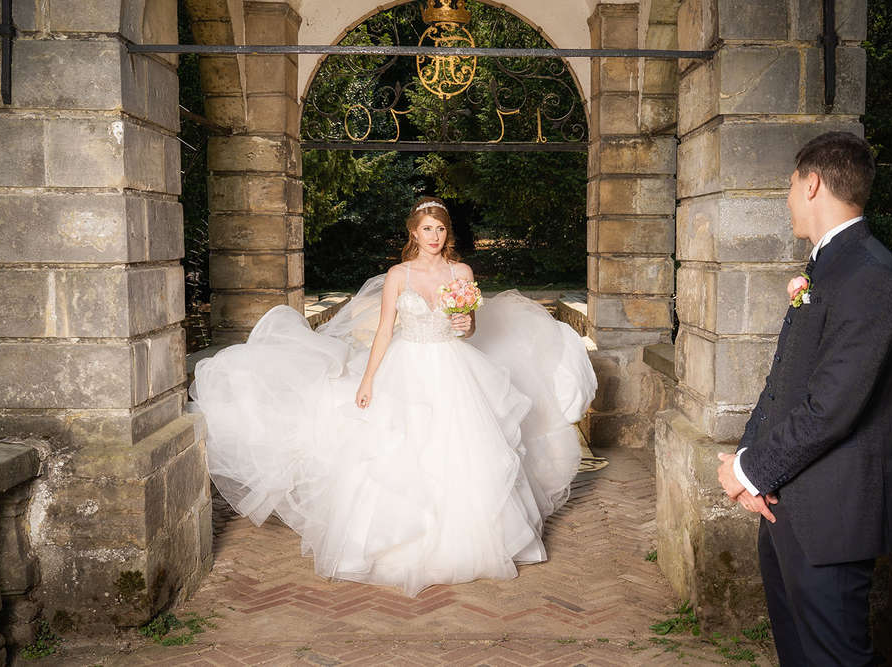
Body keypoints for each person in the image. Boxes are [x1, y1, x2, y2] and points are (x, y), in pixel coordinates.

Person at [190, 196, 597, 597]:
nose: (434, 235)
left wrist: (464, 323)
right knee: (396, 450)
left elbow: (469, 328)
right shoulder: (398, 275)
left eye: (440, 228)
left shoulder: (462, 270)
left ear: (446, 232)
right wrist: (367, 381)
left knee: (460, 450)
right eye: (426, 229)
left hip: (454, 366)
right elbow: (385, 330)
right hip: (405, 367)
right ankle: (395, 546)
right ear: (413, 233)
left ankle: (466, 544)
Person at [716, 132, 892, 666]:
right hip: (783, 507)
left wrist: (749, 471)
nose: (787, 198)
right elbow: (781, 384)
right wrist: (747, 469)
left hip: (831, 518)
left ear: (813, 182)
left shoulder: (871, 274)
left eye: (791, 184)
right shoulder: (827, 266)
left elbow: (832, 408)